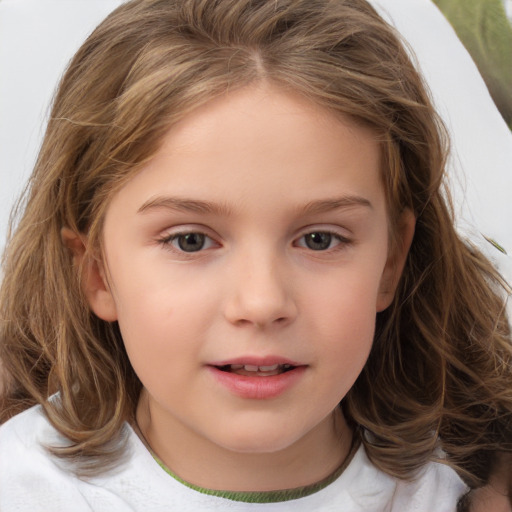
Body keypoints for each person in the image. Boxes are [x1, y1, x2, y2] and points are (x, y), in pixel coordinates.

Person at [0, 0, 510, 510]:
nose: (262, 302)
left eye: (319, 239)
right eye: (190, 240)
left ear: (391, 262)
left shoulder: (464, 489)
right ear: (97, 273)